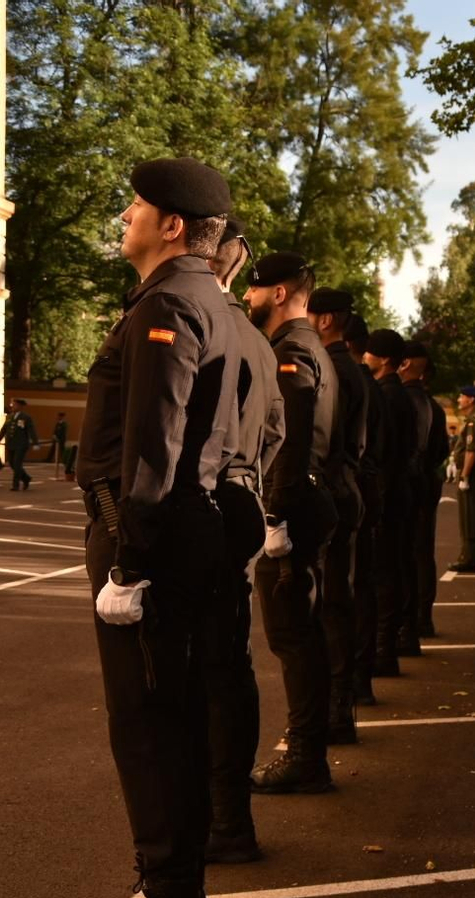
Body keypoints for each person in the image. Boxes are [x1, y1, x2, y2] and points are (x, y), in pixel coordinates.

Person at [74, 156, 239, 898]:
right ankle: (170, 895)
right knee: (167, 721)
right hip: (175, 543)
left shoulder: (171, 302)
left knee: (149, 730)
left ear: (172, 225)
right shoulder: (194, 296)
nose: (129, 213)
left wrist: (129, 565)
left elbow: (154, 450)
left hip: (150, 544)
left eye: (139, 204)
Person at [200, 217, 283, 864]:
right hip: (242, 498)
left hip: (205, 509)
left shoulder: (203, 324)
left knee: (200, 676)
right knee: (232, 667)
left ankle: (216, 821)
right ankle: (231, 814)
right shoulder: (257, 339)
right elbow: (276, 432)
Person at [243, 251, 338, 796]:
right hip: (305, 504)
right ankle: (310, 750)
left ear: (279, 293)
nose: (249, 299)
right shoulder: (308, 346)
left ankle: (307, 755)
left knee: (294, 637)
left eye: (256, 290)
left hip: (292, 509)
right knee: (300, 635)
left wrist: (274, 516)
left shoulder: (293, 350)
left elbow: (292, 440)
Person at [309, 287, 369, 742]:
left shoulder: (332, 367)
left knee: (330, 607)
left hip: (333, 489)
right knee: (337, 601)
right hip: (347, 487)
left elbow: (324, 441)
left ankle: (334, 711)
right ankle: (339, 707)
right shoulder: (350, 368)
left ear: (326, 320)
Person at [363, 328, 416, 678]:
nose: (364, 357)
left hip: (387, 495)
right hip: (398, 493)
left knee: (382, 576)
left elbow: (382, 452)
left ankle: (384, 648)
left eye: (369, 353)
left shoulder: (388, 396)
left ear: (384, 360)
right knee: (391, 570)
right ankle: (388, 643)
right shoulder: (399, 395)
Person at [346, 314, 388, 707]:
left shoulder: (357, 382)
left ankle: (356, 678)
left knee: (355, 590)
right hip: (369, 490)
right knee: (361, 588)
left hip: (359, 489)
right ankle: (360, 674)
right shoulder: (371, 386)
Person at [399, 341, 447, 649]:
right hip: (427, 485)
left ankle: (411, 620)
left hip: (409, 485)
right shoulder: (435, 407)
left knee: (405, 555)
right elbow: (441, 450)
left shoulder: (403, 400)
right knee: (422, 553)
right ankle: (422, 617)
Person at [449, 385, 475, 573]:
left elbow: (471, 451)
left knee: (469, 517)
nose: (459, 400)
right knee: (469, 516)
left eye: (462, 397)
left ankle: (468, 557)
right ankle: (470, 554)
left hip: (471, 474)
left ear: (471, 400)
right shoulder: (472, 421)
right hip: (471, 473)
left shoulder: (474, 422)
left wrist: (465, 475)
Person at [0, 399, 39, 491]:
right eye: (13, 405)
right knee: (12, 464)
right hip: (11, 444)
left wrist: (35, 443)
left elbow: (31, 430)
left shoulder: (26, 417)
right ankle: (26, 478)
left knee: (17, 464)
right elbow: (4, 428)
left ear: (20, 406)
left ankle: (15, 485)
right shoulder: (10, 417)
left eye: (15, 405)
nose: (13, 406)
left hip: (21, 445)